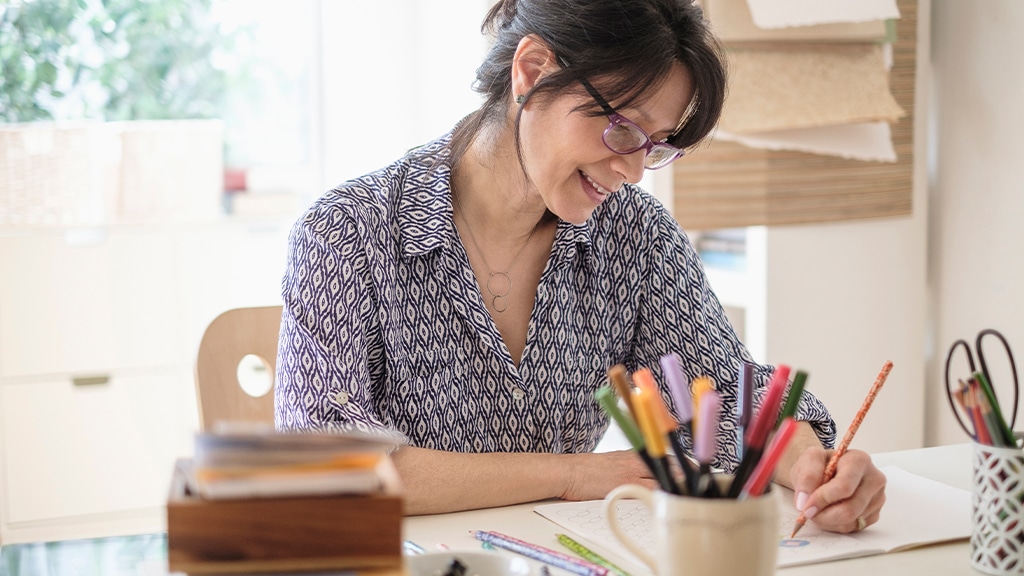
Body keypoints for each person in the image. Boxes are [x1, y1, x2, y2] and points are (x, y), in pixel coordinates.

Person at [274, 0, 886, 532]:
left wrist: (806, 463)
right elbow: (328, 468)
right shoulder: (347, 233)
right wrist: (572, 474)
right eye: (623, 129)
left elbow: (720, 402)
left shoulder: (635, 236)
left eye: (657, 143)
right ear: (533, 70)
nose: (634, 169)